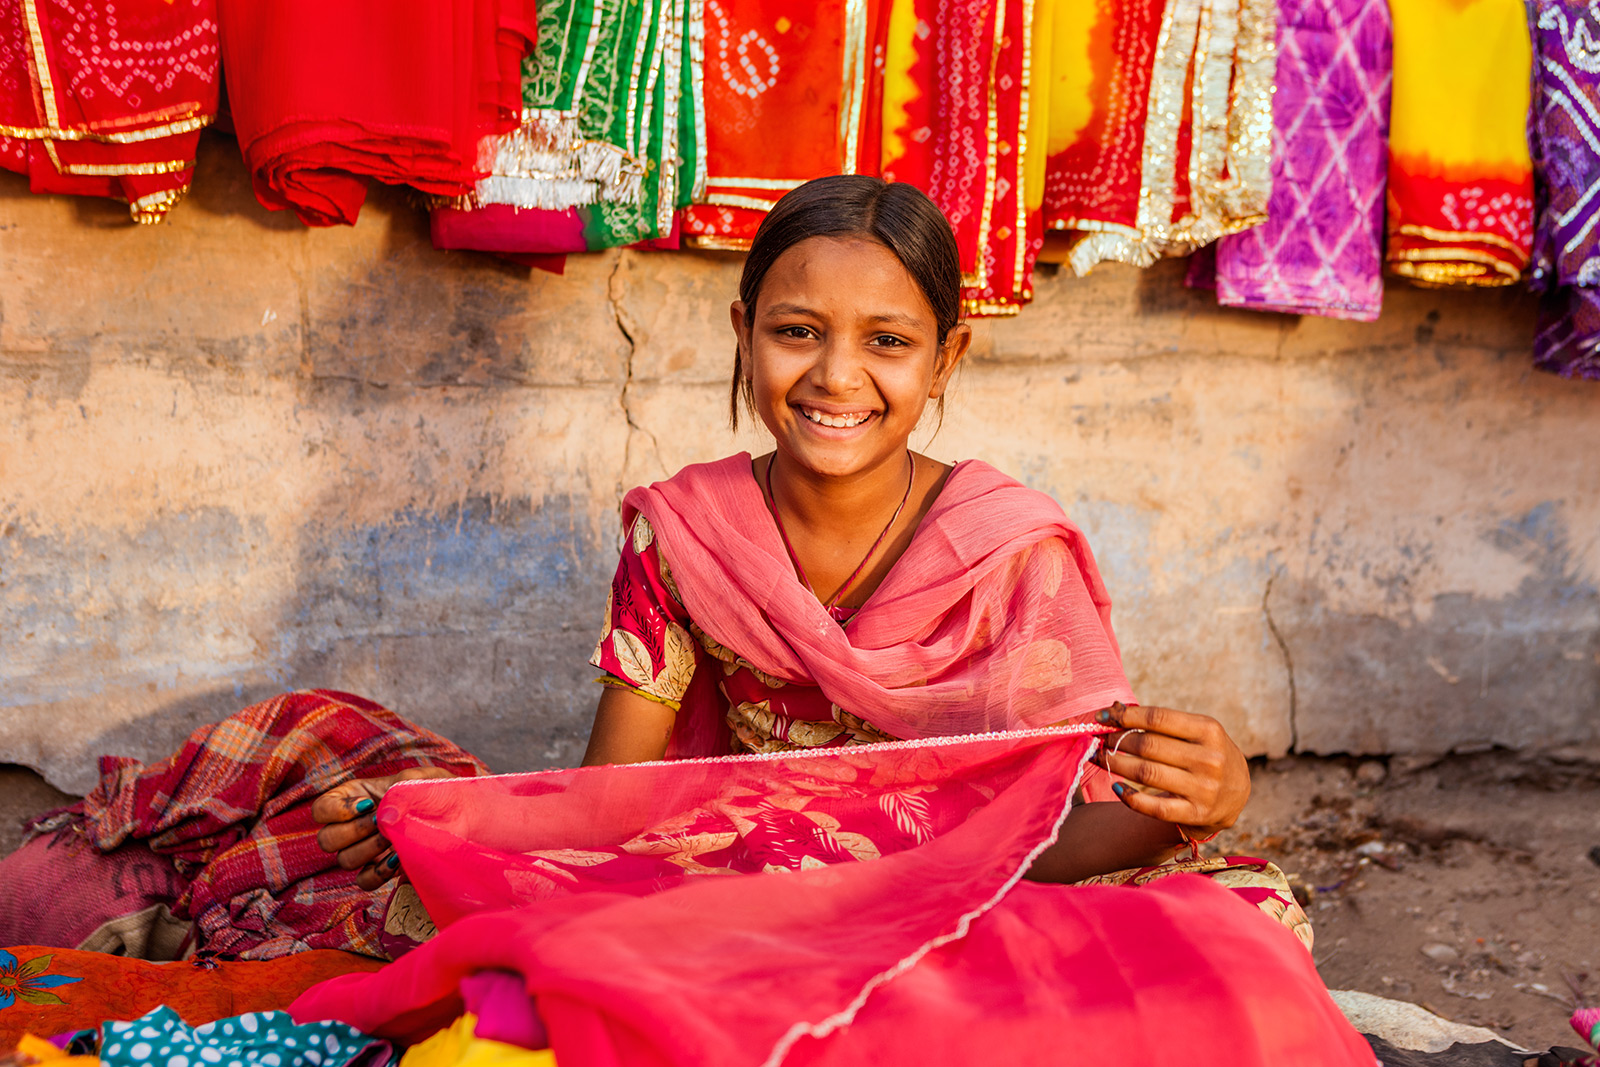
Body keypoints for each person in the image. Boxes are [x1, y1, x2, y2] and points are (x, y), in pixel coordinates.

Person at [313, 173, 1273, 911]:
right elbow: (614, 795)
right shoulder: (684, 535)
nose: (836, 376)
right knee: (447, 905)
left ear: (947, 358)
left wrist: (1195, 800)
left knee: (1240, 916)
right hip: (749, 870)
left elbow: (1072, 818)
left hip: (977, 877)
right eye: (798, 331)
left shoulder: (1013, 553)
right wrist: (449, 828)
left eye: (888, 343)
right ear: (744, 332)